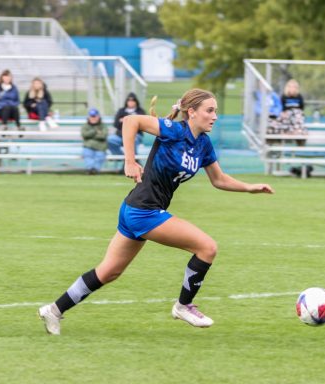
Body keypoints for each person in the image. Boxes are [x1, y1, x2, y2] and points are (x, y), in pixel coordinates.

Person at [37, 88, 274, 335]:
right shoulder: (175, 130)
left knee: (108, 272)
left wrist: (250, 188)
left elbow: (219, 179)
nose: (214, 116)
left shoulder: (202, 144)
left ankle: (53, 310)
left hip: (137, 210)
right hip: (143, 211)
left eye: (215, 111)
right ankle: (183, 306)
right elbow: (131, 121)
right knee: (207, 248)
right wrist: (129, 160)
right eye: (210, 110)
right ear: (191, 112)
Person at [81, 108, 108, 175]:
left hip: (100, 147)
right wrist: (95, 131)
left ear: (98, 116)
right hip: (88, 146)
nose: (93, 118)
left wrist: (91, 136)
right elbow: (84, 135)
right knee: (87, 155)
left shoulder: (103, 126)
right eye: (91, 116)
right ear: (88, 117)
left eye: (94, 116)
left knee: (100, 156)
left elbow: (103, 136)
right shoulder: (85, 126)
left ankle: (94, 170)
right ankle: (90, 169)